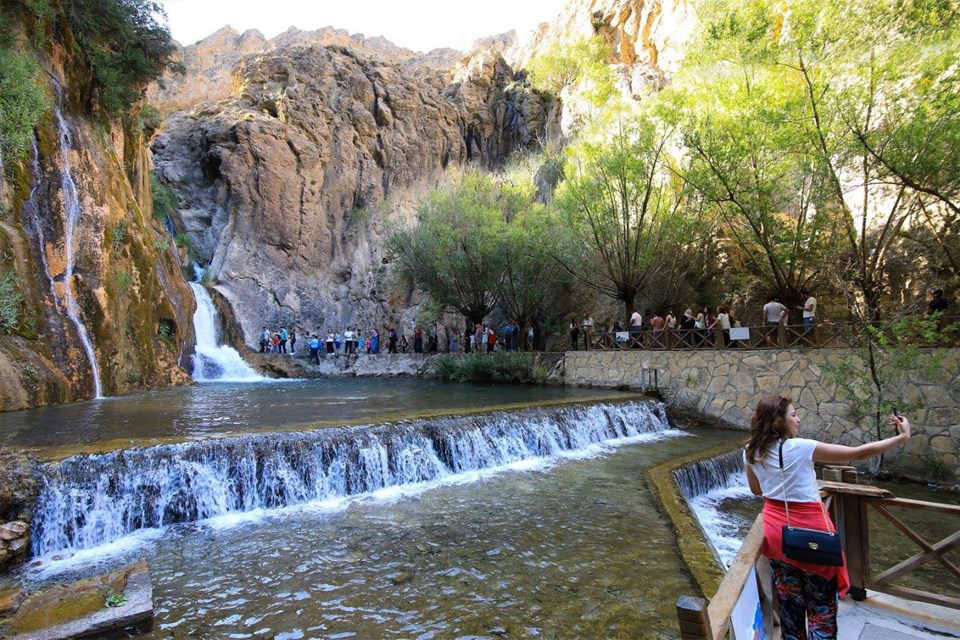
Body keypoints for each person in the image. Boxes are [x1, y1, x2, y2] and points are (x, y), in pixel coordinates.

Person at [745, 396, 911, 640]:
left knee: (790, 602)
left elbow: (756, 490)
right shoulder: (801, 447)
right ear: (779, 422)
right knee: (821, 609)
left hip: (775, 532)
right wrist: (902, 437)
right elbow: (857, 453)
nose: (798, 419)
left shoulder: (750, 451)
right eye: (793, 415)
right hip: (813, 533)